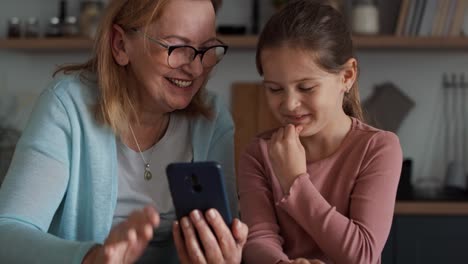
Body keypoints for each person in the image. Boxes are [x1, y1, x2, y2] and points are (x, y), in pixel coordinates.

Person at [0, 0, 248, 263]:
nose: (196, 69)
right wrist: (91, 258)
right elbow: (7, 234)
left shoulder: (213, 118)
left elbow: (224, 235)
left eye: (207, 49)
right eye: (176, 47)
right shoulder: (67, 106)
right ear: (120, 45)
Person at [237, 0, 402, 263]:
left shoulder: (378, 148)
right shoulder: (258, 154)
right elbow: (258, 239)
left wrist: (294, 181)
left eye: (306, 87)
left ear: (347, 76)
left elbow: (363, 255)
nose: (290, 104)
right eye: (275, 89)